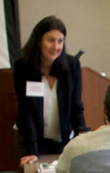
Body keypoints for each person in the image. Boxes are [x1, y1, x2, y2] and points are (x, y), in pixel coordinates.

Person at [15, 16, 85, 164]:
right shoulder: (23, 67)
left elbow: (76, 106)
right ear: (39, 40)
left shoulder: (72, 66)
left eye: (60, 41)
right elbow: (26, 111)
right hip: (31, 140)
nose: (56, 46)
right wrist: (31, 151)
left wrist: (83, 141)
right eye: (50, 40)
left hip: (64, 139)